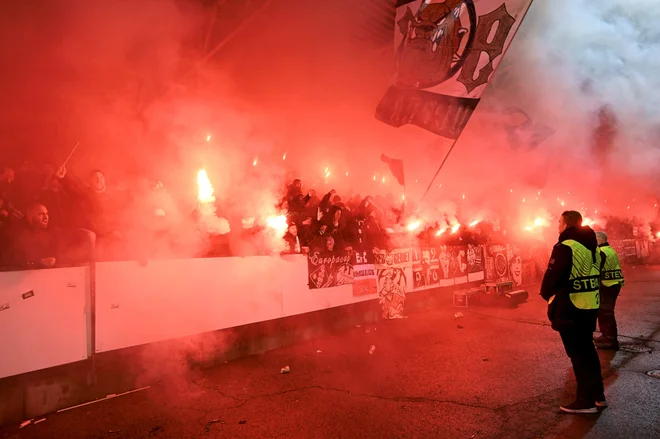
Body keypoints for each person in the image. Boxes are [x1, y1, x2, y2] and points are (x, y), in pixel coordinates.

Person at [540, 210, 605, 414]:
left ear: (566, 225)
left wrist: (547, 294)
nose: (556, 226)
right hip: (591, 305)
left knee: (578, 355)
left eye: (558, 222)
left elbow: (552, 278)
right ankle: (598, 396)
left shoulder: (565, 247)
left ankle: (584, 401)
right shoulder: (594, 247)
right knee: (588, 352)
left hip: (571, 308)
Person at [594, 231, 624, 350]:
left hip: (607, 285)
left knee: (606, 312)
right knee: (604, 311)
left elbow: (596, 268)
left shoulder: (601, 252)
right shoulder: (610, 250)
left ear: (600, 240)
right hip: (614, 284)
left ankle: (610, 339)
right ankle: (605, 335)